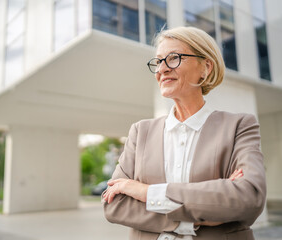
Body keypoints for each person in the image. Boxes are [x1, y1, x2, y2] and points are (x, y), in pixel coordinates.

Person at [102, 26, 266, 240]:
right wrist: (202, 212)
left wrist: (145, 193)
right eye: (158, 61)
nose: (162, 69)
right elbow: (114, 205)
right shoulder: (140, 132)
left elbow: (248, 198)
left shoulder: (239, 126)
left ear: (205, 67)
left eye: (173, 58)